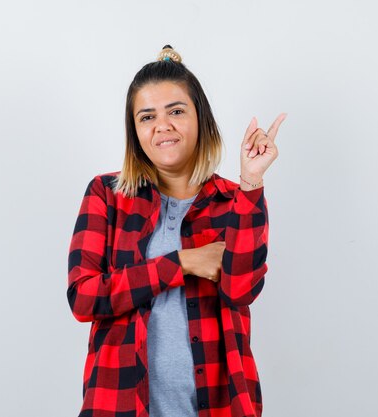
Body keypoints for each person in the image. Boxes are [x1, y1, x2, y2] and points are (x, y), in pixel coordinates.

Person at [67, 45, 286, 417]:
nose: (162, 126)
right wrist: (181, 263)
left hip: (218, 406)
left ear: (200, 118)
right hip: (118, 405)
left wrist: (251, 181)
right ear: (135, 131)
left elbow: (243, 288)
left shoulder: (235, 201)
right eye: (147, 116)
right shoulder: (108, 195)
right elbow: (84, 297)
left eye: (177, 111)